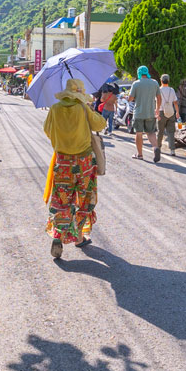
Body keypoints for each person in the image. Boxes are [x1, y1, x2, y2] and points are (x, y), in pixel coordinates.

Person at [42, 78, 107, 259]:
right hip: (84, 162)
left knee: (61, 199)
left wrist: (62, 138)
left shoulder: (55, 109)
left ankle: (58, 235)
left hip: (62, 162)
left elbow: (47, 130)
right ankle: (78, 237)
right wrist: (89, 110)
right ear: (79, 93)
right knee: (84, 199)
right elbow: (100, 125)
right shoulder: (83, 108)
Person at [127, 66, 159, 160]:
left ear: (139, 73)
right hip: (150, 112)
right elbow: (159, 97)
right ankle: (156, 148)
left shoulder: (136, 84)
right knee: (151, 132)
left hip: (138, 113)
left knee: (139, 133)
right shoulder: (154, 82)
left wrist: (128, 97)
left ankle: (140, 154)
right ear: (147, 72)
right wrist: (157, 109)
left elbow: (130, 98)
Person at [154, 74, 179, 162]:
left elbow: (156, 102)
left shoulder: (158, 90)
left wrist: (156, 112)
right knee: (171, 132)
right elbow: (175, 102)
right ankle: (172, 150)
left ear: (161, 81)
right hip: (171, 112)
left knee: (160, 132)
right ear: (168, 81)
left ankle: (158, 149)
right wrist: (177, 112)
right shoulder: (172, 90)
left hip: (161, 112)